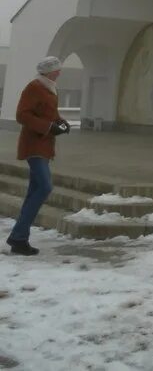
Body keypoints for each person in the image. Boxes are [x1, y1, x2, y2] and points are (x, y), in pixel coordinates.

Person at [6, 56, 70, 256]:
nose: (59, 72)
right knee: (44, 186)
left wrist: (60, 122)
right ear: (48, 71)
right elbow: (22, 115)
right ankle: (18, 236)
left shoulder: (50, 87)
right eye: (57, 69)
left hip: (45, 145)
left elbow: (49, 113)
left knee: (35, 190)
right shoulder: (34, 87)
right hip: (33, 145)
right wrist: (48, 127)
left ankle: (18, 239)